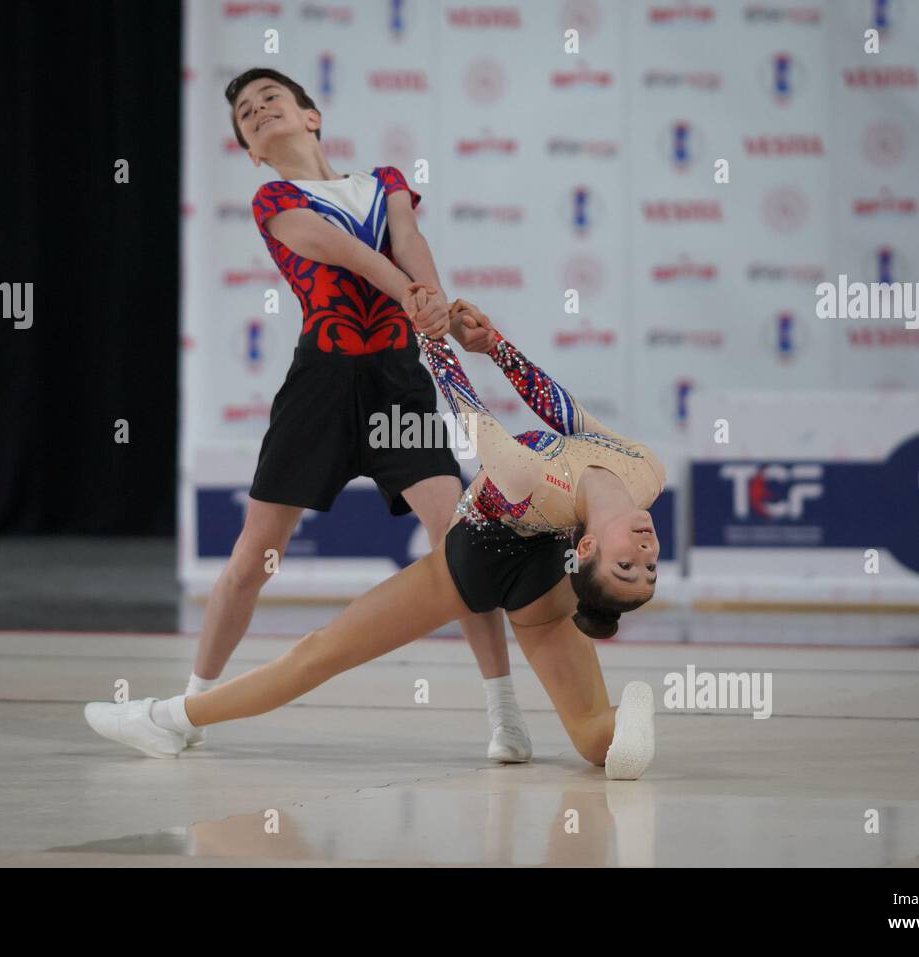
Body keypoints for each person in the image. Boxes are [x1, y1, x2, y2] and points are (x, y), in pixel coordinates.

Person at [88, 293, 665, 779]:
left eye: (626, 570)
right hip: (526, 561)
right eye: (647, 568)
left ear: (586, 549)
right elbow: (566, 413)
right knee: (325, 654)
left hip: (483, 558)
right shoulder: (646, 473)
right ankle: (167, 719)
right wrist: (493, 345)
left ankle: (166, 719)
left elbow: (470, 412)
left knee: (320, 652)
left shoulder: (527, 478)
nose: (643, 555)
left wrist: (434, 342)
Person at [194, 67, 531, 762]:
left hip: (395, 384)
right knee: (257, 556)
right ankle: (192, 704)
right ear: (250, 151)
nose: (258, 113)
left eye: (271, 102)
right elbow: (342, 251)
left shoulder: (384, 183)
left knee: (455, 536)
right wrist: (416, 295)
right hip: (320, 384)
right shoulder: (274, 198)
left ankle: (506, 715)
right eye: (246, 116)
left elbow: (406, 241)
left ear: (311, 116)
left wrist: (433, 298)